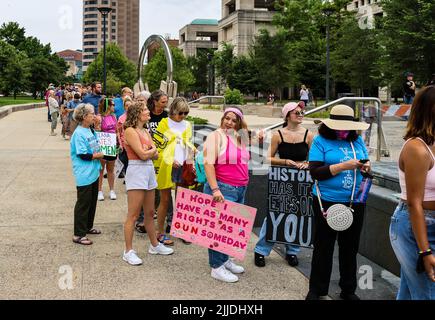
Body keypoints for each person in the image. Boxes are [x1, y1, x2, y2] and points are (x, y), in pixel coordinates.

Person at [306, 104, 370, 300]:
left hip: (355, 202)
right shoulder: (320, 142)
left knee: (350, 248)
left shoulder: (357, 141)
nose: (343, 130)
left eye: (347, 127)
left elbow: (365, 162)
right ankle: (317, 289)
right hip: (326, 201)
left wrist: (365, 167)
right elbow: (315, 172)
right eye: (339, 126)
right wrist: (343, 166)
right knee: (323, 247)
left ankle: (348, 290)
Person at [254, 101, 314, 268]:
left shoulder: (309, 135)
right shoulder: (278, 135)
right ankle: (261, 250)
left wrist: (307, 163)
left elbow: (315, 158)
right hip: (281, 178)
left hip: (302, 180)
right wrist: (285, 161)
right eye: (296, 112)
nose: (300, 115)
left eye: (302, 112)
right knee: (275, 214)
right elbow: (267, 158)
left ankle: (292, 251)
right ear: (287, 116)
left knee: (298, 214)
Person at [390, 85, 435, 300]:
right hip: (414, 226)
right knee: (427, 294)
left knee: (410, 293)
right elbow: (414, 203)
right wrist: (425, 251)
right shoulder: (417, 149)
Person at [122, 102, 174, 265]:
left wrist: (149, 152)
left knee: (150, 212)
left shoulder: (145, 130)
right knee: (134, 214)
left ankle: (154, 245)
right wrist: (150, 152)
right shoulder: (130, 131)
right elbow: (144, 154)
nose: (148, 112)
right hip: (137, 170)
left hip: (148, 170)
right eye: (144, 110)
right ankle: (128, 251)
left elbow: (154, 154)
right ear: (137, 113)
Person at [202, 106, 250, 283]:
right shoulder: (216, 136)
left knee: (231, 229)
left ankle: (225, 259)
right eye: (226, 118)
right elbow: (208, 163)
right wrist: (215, 189)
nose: (229, 122)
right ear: (222, 119)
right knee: (219, 228)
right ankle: (217, 266)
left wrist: (243, 123)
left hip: (239, 188)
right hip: (223, 188)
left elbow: (248, 135)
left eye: (234, 119)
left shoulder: (239, 136)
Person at [153, 97, 196, 246]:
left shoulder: (187, 125)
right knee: (164, 200)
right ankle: (160, 232)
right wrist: (171, 160)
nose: (183, 116)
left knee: (183, 200)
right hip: (167, 166)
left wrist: (191, 160)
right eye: (180, 113)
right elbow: (158, 147)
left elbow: (188, 144)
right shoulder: (164, 123)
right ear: (173, 111)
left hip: (184, 165)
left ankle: (182, 230)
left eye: (186, 113)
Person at [70, 103, 104, 245]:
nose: (94, 116)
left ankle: (87, 226)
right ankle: (78, 234)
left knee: (92, 201)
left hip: (93, 172)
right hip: (84, 173)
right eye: (91, 114)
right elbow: (83, 154)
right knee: (83, 203)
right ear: (84, 117)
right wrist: (98, 156)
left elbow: (96, 147)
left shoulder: (89, 130)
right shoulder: (78, 133)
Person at [96, 98, 118, 201]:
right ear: (108, 106)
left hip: (112, 145)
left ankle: (112, 190)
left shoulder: (114, 116)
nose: (114, 106)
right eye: (112, 104)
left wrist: (119, 142)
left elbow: (117, 131)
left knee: (111, 169)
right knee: (101, 169)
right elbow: (97, 132)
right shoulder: (99, 118)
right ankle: (99, 190)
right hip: (103, 145)